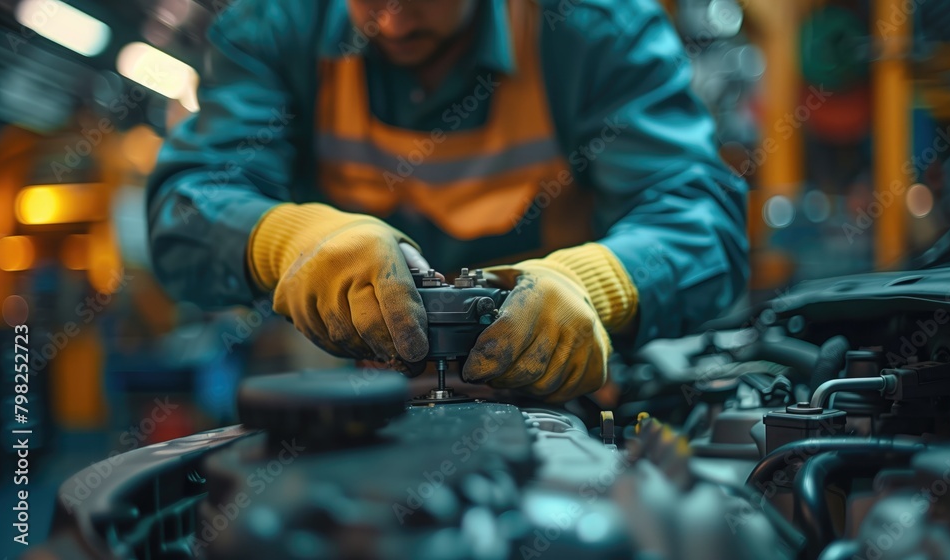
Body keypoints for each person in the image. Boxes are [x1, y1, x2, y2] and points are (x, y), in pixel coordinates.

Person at [146, 0, 749, 402]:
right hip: (361, 397)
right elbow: (190, 202)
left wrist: (596, 285)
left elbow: (698, 214)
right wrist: (288, 242)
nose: (395, 24)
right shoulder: (274, 27)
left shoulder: (592, 27)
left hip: (560, 396)